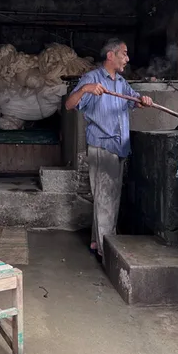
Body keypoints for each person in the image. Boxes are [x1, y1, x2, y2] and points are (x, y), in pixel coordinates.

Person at [65, 38, 153, 261]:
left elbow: (135, 101)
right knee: (105, 199)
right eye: (124, 53)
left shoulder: (121, 83)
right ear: (110, 56)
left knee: (110, 199)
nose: (127, 58)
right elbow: (69, 105)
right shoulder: (91, 79)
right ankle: (108, 253)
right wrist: (85, 89)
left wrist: (144, 100)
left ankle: (98, 242)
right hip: (102, 146)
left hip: (119, 147)